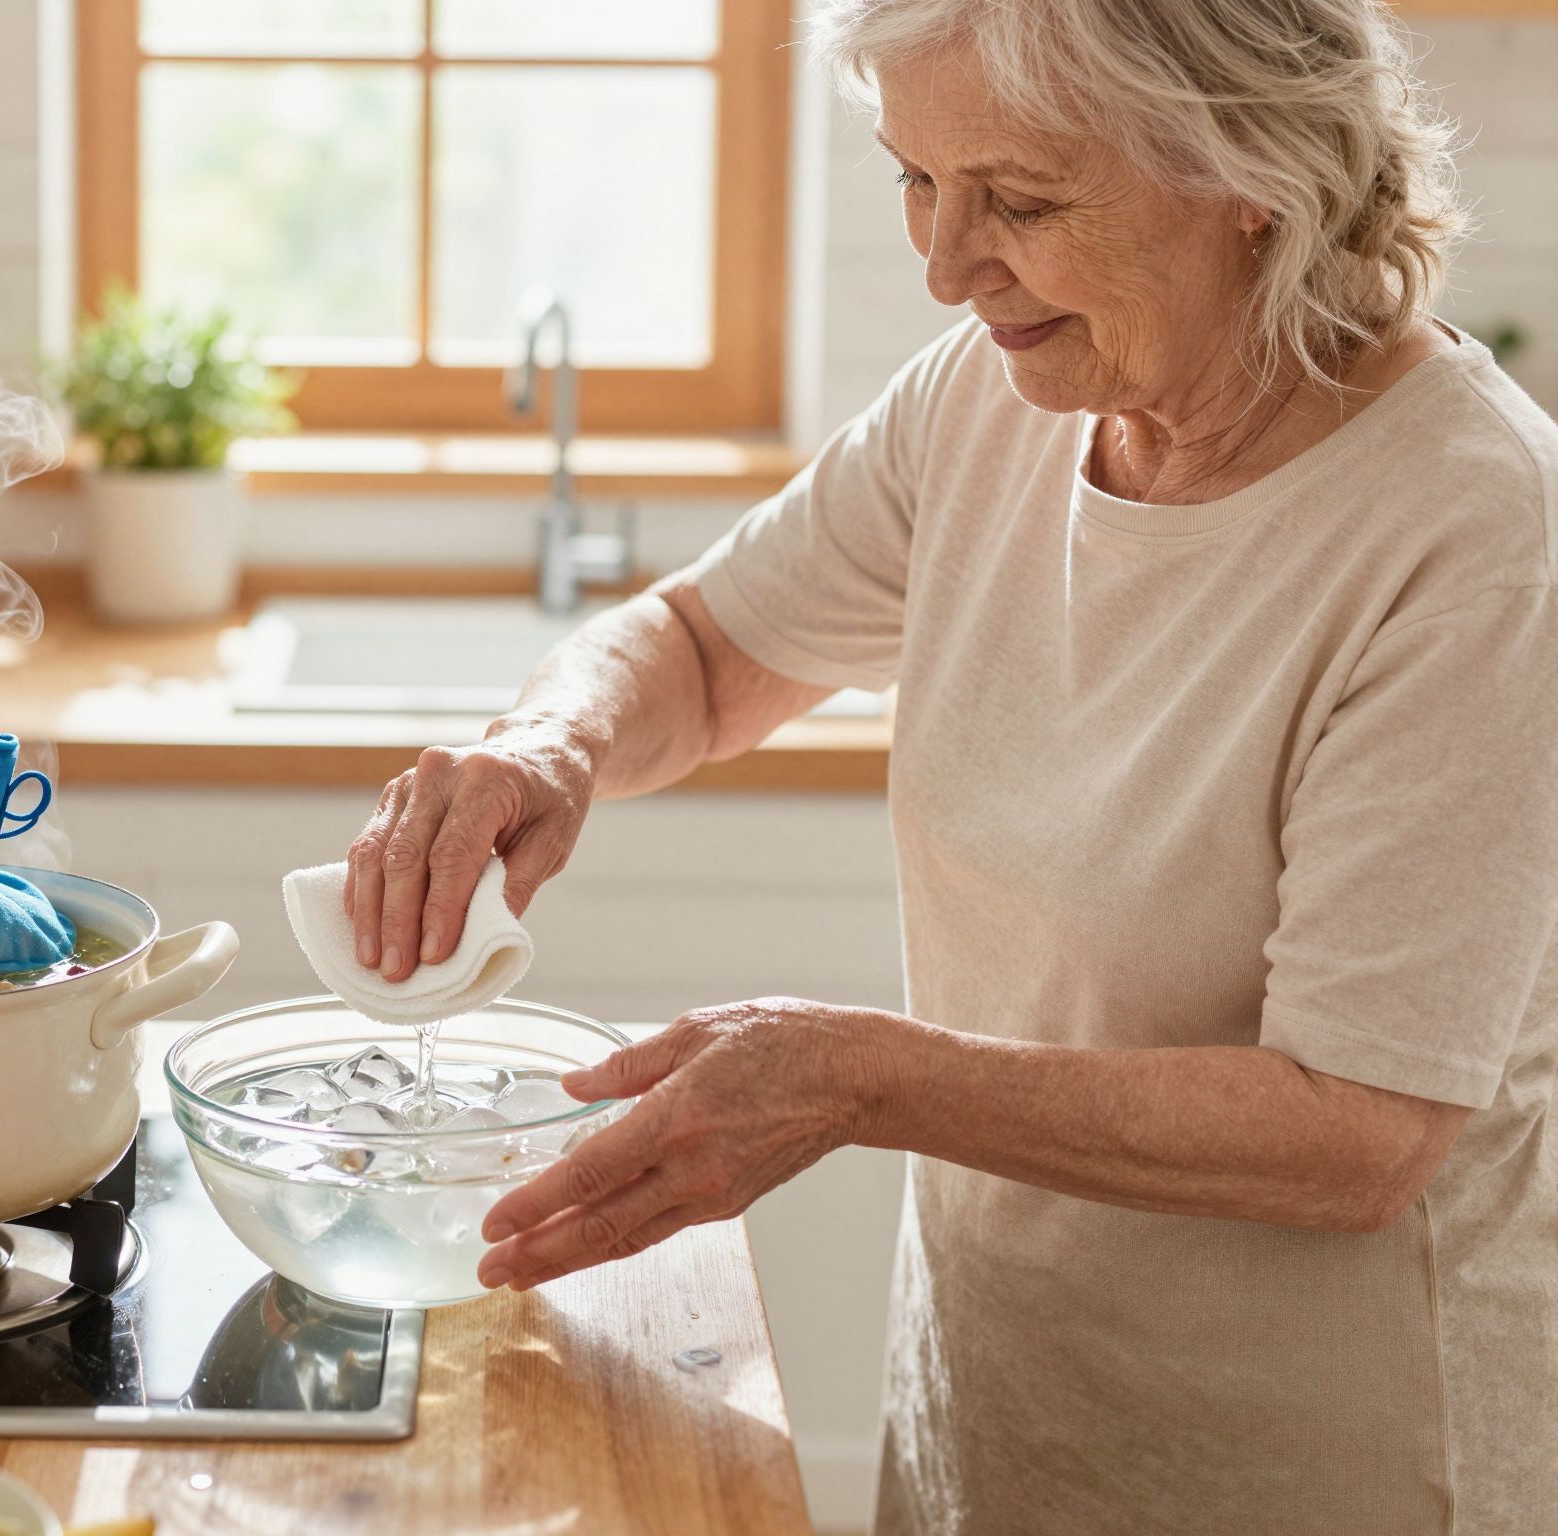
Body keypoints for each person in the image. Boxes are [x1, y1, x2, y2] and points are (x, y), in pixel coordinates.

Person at [342, 2, 1558, 1530]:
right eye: (914, 178)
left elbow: (1355, 1135)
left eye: (1023, 202)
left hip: (1322, 1466)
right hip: (1002, 1416)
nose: (946, 261)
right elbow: (710, 650)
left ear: (1253, 167)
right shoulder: (996, 394)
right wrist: (553, 744)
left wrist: (855, 1076)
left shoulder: (1475, 532)